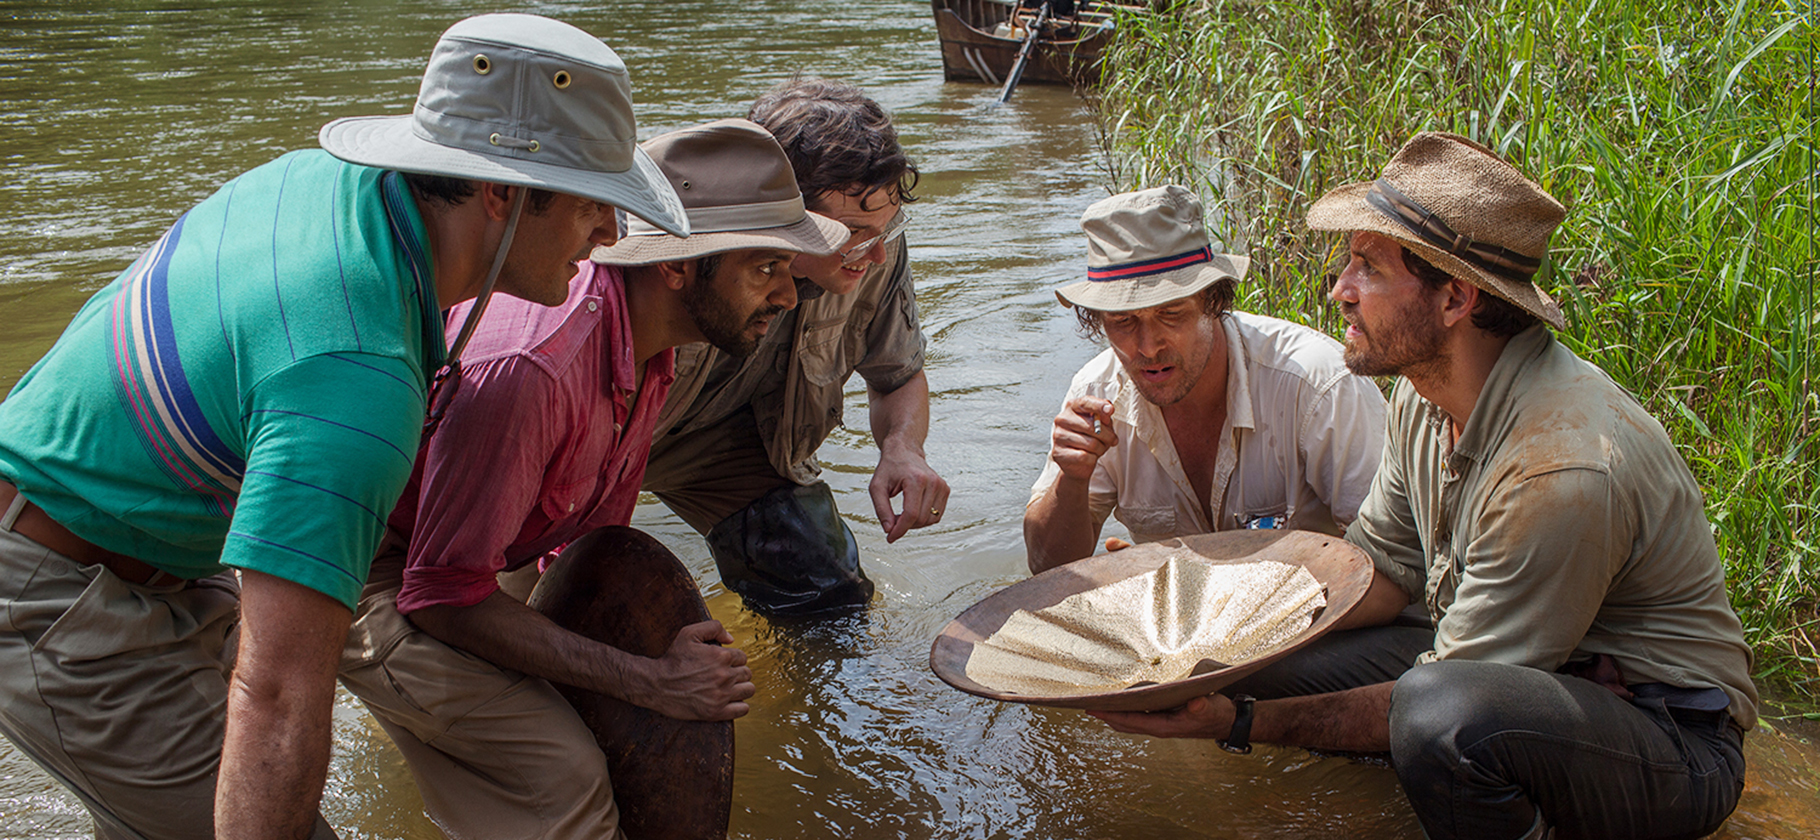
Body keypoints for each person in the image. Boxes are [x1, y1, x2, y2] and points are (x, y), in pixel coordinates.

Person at [0, 14, 687, 840]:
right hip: (60, 587)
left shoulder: (319, 183)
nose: (612, 236)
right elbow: (279, 698)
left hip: (151, 547)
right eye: (592, 203)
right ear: (501, 194)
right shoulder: (356, 377)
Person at [1090, 133, 1758, 840]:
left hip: (1670, 737)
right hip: (1550, 677)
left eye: (1368, 269)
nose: (1339, 292)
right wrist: (1211, 630)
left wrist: (1242, 724)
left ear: (1454, 300)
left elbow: (1450, 690)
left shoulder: (1557, 468)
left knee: (1438, 719)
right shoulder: (1422, 393)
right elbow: (1377, 574)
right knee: (1250, 663)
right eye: (1347, 264)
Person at [335, 118, 848, 839]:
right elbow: (441, 595)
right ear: (675, 266)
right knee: (563, 780)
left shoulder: (653, 342)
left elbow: (590, 546)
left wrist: (618, 666)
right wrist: (648, 681)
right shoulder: (534, 368)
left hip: (470, 546)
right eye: (765, 268)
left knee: (587, 727)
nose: (789, 297)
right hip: (367, 572)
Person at [642, 79, 949, 614]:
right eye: (852, 233)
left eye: (886, 228)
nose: (873, 255)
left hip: (733, 446)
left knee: (828, 588)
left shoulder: (875, 252)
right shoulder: (690, 258)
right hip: (613, 434)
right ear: (783, 210)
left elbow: (897, 375)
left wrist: (903, 448)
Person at [1024, 185, 1386, 573]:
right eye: (1123, 321)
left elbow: (1389, 562)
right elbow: (1047, 568)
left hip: (1322, 614)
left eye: (1171, 314)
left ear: (1214, 302)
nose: (1147, 347)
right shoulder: (1096, 394)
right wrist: (1072, 480)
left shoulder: (1318, 383)